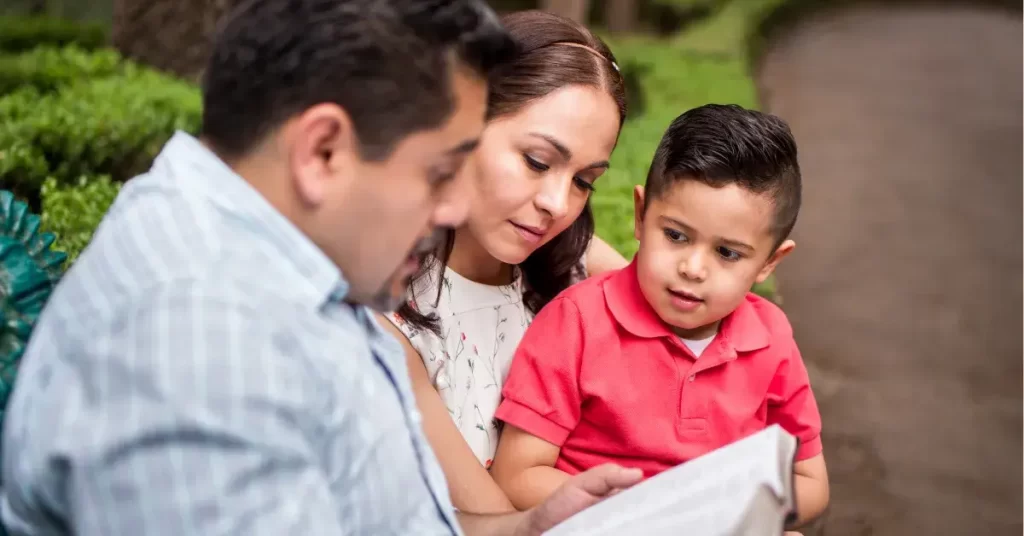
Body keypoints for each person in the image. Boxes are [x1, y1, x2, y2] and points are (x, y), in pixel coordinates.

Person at [0, 1, 644, 534]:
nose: (453, 203)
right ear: (322, 150)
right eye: (440, 171)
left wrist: (526, 527)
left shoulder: (286, 257)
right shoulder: (196, 346)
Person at [489, 104, 831, 528]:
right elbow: (516, 474)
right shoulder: (576, 322)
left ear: (769, 263)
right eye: (675, 235)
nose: (692, 268)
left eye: (727, 253)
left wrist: (725, 517)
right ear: (640, 214)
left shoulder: (770, 337)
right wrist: (653, 515)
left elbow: (809, 481)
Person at [378, 9, 629, 515]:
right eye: (537, 161)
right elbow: (499, 524)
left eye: (585, 181)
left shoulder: (576, 265)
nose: (558, 204)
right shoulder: (390, 316)